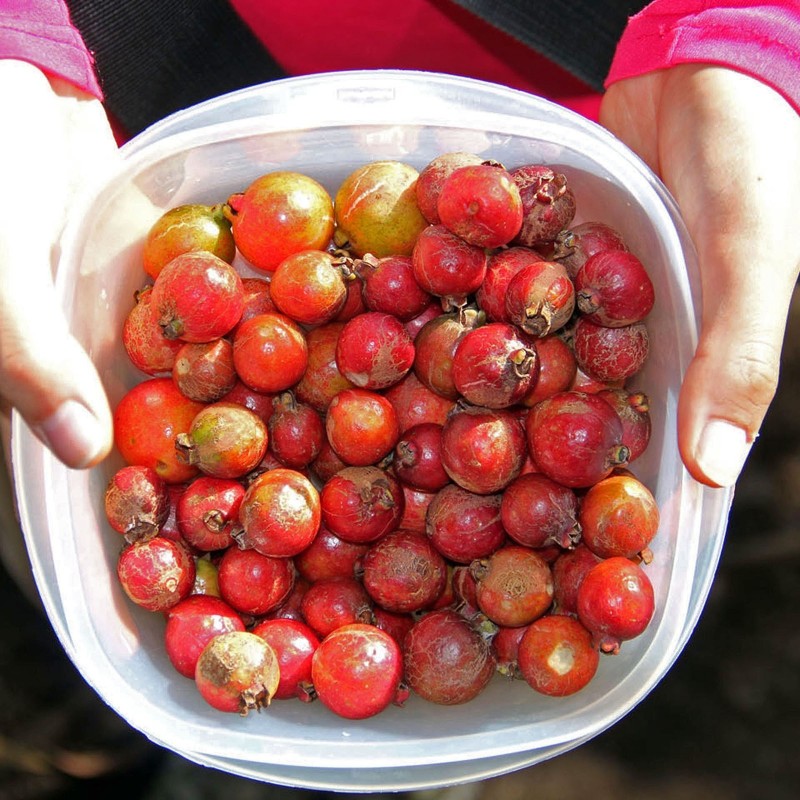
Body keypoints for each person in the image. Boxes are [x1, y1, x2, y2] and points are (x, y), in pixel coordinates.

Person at [1, 0, 798, 495]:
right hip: (115, 128)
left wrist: (742, 31)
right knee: (54, 392)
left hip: (585, 119)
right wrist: (20, 35)